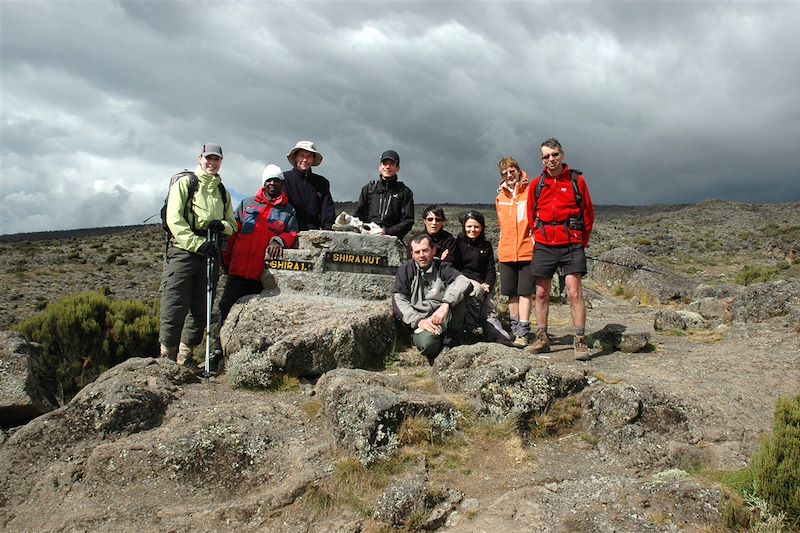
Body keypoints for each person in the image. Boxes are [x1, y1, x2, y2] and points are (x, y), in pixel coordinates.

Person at [159, 143, 236, 366]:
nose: (212, 163)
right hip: (183, 251)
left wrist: (220, 225)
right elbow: (174, 220)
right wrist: (197, 244)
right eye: (208, 158)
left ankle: (185, 356)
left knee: (201, 308)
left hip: (210, 253)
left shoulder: (222, 191)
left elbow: (232, 224)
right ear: (199, 158)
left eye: (217, 159)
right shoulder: (186, 183)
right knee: (174, 303)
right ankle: (167, 357)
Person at [526, 138, 594, 360]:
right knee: (541, 293)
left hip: (571, 244)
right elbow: (530, 214)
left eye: (554, 154)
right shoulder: (536, 184)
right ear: (541, 159)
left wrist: (580, 242)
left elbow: (588, 214)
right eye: (546, 156)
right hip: (545, 245)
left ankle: (580, 339)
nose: (551, 159)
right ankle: (542, 338)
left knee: (574, 292)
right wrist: (537, 235)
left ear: (562, 155)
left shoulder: (577, 180)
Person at [219, 164, 299, 325]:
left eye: (277, 180)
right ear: (264, 183)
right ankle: (218, 349)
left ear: (282, 184)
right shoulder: (246, 204)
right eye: (269, 180)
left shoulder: (288, 211)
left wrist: (279, 240)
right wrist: (225, 261)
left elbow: (292, 232)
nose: (272, 183)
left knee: (253, 318)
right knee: (226, 308)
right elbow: (233, 233)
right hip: (237, 269)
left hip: (261, 274)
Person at [392, 233, 472, 361]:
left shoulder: (442, 267)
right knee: (428, 345)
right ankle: (434, 338)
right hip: (421, 321)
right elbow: (399, 299)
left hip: (444, 318)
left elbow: (464, 282)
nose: (422, 255)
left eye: (425, 250)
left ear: (433, 250)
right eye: (417, 252)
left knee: (459, 293)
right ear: (412, 254)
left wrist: (446, 304)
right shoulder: (405, 270)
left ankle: (450, 338)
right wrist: (418, 321)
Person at [452, 210, 513, 345]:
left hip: (484, 285)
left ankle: (497, 335)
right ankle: (468, 329)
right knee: (475, 294)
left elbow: (491, 269)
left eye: (476, 227)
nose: (472, 230)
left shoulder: (486, 245)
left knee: (489, 308)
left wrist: (488, 286)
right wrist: (479, 284)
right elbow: (457, 268)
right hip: (464, 282)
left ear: (482, 228)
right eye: (469, 226)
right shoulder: (457, 244)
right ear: (464, 226)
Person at [495, 156, 535, 347]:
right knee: (511, 293)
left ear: (518, 170)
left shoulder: (530, 191)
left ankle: (524, 332)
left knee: (525, 292)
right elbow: (502, 225)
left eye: (512, 171)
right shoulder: (500, 196)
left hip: (527, 250)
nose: (509, 175)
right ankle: (514, 329)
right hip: (507, 252)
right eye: (505, 173)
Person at [354, 150, 414, 240]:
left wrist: (387, 231)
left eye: (391, 164)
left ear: (397, 168)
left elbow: (408, 220)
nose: (387, 167)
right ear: (379, 167)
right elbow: (359, 214)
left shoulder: (405, 192)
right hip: (366, 237)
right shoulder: (368, 189)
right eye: (385, 163)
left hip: (392, 240)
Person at [282, 140, 335, 230]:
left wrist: (327, 231)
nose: (305, 160)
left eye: (309, 156)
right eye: (301, 156)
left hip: (313, 234)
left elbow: (327, 211)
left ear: (313, 159)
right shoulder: (284, 179)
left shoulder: (322, 183)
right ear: (295, 158)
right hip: (288, 232)